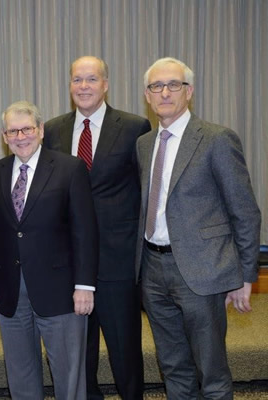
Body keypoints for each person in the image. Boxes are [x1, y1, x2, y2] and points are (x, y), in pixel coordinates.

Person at [136, 57, 261, 399]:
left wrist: (245, 276)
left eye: (173, 85)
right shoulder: (144, 144)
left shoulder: (217, 139)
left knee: (212, 371)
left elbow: (245, 212)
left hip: (203, 272)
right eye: (156, 86)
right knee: (173, 366)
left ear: (188, 91)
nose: (164, 93)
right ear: (147, 96)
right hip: (153, 270)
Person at [0, 101, 99, 400]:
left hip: (61, 291)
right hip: (8, 291)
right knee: (20, 373)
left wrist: (85, 285)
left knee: (69, 375)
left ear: (41, 130)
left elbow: (84, 231)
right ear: (4, 136)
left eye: (27, 129)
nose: (21, 136)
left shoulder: (70, 168)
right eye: (12, 131)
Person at [44, 56, 150, 399]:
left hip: (116, 261)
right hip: (69, 261)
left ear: (105, 84)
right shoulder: (54, 129)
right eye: (77, 80)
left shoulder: (135, 127)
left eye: (91, 79)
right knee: (78, 352)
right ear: (70, 85)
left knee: (125, 351)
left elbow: (146, 190)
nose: (84, 86)